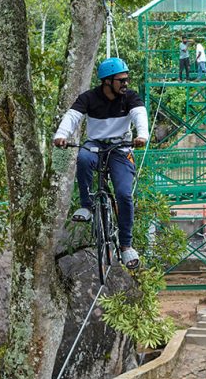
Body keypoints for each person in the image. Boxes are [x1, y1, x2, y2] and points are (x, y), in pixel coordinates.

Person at [53, 57, 148, 269]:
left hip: (120, 149)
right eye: (121, 80)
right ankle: (86, 206)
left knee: (124, 194)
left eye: (126, 79)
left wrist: (142, 135)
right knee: (84, 157)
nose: (126, 84)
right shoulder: (89, 98)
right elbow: (72, 117)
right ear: (107, 81)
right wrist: (61, 134)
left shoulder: (130, 98)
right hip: (95, 145)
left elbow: (140, 115)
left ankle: (126, 246)